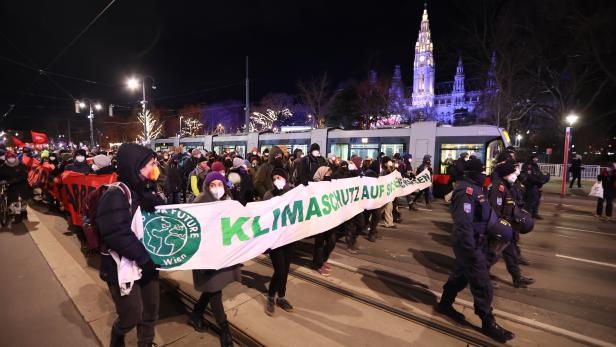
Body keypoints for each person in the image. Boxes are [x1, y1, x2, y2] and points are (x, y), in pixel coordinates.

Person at [436, 158, 515, 343]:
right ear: (472, 174)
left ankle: (445, 304)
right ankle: (488, 322)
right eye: (481, 172)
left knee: (461, 275)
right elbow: (463, 223)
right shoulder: (466, 190)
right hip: (468, 243)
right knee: (482, 283)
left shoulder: (477, 188)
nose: (484, 175)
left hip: (475, 241)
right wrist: (470, 249)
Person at [96, 143, 164, 347]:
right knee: (131, 315)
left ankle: (145, 343)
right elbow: (116, 233)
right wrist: (144, 259)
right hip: (122, 266)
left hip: (146, 263)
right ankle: (118, 335)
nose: (155, 166)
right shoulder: (115, 194)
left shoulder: (142, 190)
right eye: (152, 163)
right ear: (136, 166)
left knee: (150, 310)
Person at [189, 172, 240, 347]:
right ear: (206, 186)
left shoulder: (228, 200)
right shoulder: (199, 203)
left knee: (212, 288)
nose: (217, 188)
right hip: (206, 256)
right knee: (214, 290)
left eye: (219, 184)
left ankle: (196, 313)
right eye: (212, 185)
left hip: (222, 254)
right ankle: (224, 328)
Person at [488, 161, 535, 288]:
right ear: (505, 174)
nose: (515, 175)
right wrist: (500, 227)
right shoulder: (498, 187)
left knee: (511, 254)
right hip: (500, 228)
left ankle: (517, 278)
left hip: (508, 227)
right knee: (491, 255)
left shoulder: (508, 186)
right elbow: (495, 210)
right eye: (512, 172)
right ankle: (481, 277)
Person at [263, 168, 296, 316]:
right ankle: (271, 296)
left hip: (289, 237)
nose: (277, 180)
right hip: (275, 240)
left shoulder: (293, 193)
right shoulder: (268, 195)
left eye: (280, 177)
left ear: (285, 178)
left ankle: (281, 297)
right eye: (275, 177)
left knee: (286, 270)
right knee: (280, 270)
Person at [311, 166, 336, 276]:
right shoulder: (313, 186)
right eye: (327, 173)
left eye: (330, 173)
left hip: (329, 218)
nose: (329, 175)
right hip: (319, 219)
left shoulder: (331, 184)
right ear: (321, 174)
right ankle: (319, 264)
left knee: (332, 240)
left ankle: (323, 260)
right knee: (319, 243)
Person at [0, 151, 30, 222]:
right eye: (9, 157)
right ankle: (18, 216)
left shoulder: (21, 165)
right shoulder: (3, 167)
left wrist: (13, 180)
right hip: (11, 187)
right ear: (6, 158)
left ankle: (20, 216)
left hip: (22, 186)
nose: (11, 159)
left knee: (22, 203)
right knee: (14, 203)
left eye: (12, 157)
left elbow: (25, 175)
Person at [522, 154, 544, 219]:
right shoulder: (527, 165)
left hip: (536, 186)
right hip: (530, 186)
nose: (536, 159)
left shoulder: (536, 166)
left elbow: (539, 174)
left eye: (537, 158)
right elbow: (530, 177)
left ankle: (535, 213)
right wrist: (538, 180)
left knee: (537, 200)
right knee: (530, 202)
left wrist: (543, 178)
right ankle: (529, 216)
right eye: (535, 158)